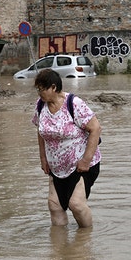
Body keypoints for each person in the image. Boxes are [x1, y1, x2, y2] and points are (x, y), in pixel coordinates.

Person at [32, 69, 102, 228]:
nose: (39, 93)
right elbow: (40, 130)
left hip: (81, 165)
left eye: (42, 89)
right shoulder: (40, 105)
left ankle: (84, 240)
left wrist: (85, 160)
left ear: (54, 87)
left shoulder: (74, 104)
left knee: (76, 204)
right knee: (54, 206)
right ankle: (60, 249)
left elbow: (96, 129)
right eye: (38, 89)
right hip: (56, 167)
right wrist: (43, 158)